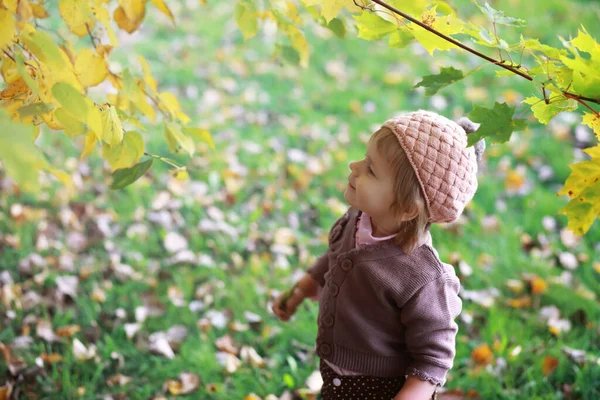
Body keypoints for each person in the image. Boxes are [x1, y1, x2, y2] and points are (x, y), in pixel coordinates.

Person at [272, 110, 486, 399]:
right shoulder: (358, 219)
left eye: (371, 169)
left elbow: (434, 356)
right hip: (335, 375)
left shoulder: (424, 277)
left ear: (408, 208)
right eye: (364, 158)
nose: (354, 166)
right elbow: (333, 260)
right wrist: (301, 291)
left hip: (381, 388)